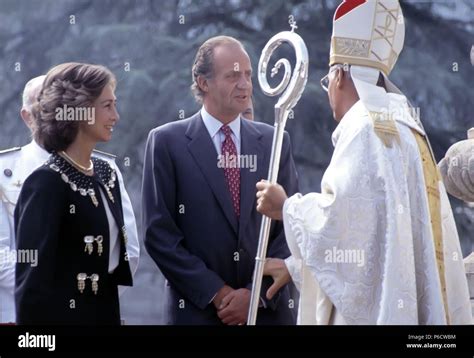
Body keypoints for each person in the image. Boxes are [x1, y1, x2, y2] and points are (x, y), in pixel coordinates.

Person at [257, 0, 472, 325]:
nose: (329, 91)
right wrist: (296, 267)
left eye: (328, 81)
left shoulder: (364, 129)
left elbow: (340, 223)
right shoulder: (408, 127)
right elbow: (380, 243)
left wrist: (285, 208)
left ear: (340, 75)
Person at [142, 36, 298, 325]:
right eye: (233, 76)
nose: (245, 84)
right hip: (198, 313)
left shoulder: (275, 142)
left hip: (266, 314)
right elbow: (160, 235)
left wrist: (255, 296)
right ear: (203, 83)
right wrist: (218, 293)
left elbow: (289, 226)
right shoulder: (166, 142)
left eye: (248, 75)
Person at [0, 75, 139, 324]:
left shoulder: (104, 169)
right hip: (23, 315)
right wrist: (64, 295)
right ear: (27, 115)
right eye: (41, 107)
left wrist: (91, 297)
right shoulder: (7, 172)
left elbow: (126, 251)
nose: (50, 114)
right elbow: (10, 259)